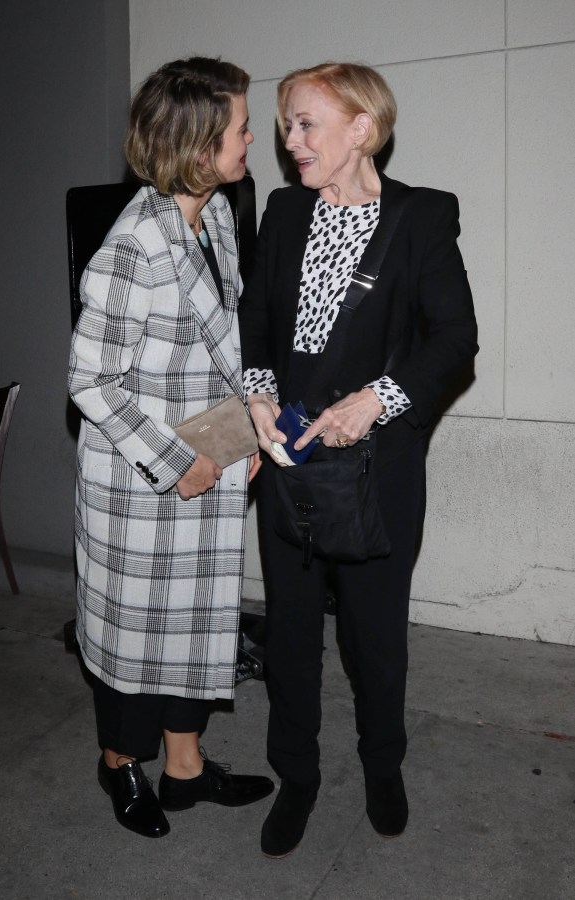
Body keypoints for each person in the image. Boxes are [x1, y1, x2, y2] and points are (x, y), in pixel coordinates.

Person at [239, 62, 478, 858]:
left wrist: (380, 398)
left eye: (306, 124)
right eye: (285, 125)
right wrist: (259, 392)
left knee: (375, 639)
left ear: (360, 130)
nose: (289, 140)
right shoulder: (281, 212)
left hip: (378, 473)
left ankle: (383, 767)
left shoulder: (419, 218)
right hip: (291, 464)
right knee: (292, 636)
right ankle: (296, 777)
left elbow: (453, 341)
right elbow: (256, 317)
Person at [68, 56, 273, 840]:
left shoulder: (214, 216)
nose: (252, 137)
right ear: (196, 151)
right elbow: (90, 380)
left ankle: (184, 770)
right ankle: (119, 763)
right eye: (240, 128)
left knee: (197, 628)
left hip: (207, 460)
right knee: (132, 643)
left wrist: (243, 430)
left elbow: (217, 353)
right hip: (140, 483)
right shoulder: (131, 249)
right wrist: (176, 460)